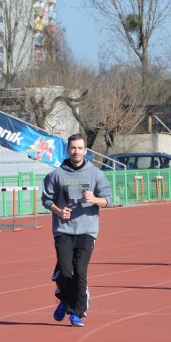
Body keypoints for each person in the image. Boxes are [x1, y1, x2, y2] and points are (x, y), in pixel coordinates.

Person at [42, 134, 112, 327]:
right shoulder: (57, 174)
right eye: (73, 148)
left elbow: (109, 200)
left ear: (85, 151)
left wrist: (95, 199)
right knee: (65, 273)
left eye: (80, 148)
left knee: (80, 272)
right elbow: (46, 199)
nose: (76, 151)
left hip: (87, 230)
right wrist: (57, 210)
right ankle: (66, 298)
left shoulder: (95, 174)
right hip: (63, 229)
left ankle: (75, 313)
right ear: (68, 150)